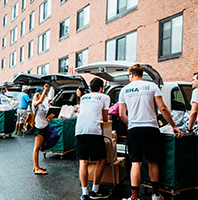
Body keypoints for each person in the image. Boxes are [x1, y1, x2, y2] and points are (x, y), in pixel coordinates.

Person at [119, 64, 184, 200]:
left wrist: (130, 124)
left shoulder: (124, 90)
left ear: (131, 74)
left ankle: (135, 197)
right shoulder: (152, 86)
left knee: (136, 163)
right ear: (142, 74)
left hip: (134, 129)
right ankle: (155, 194)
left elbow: (121, 114)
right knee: (153, 162)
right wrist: (174, 126)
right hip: (151, 129)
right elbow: (163, 108)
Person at [75, 78, 110, 200]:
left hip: (79, 130)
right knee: (101, 159)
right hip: (93, 131)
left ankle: (85, 193)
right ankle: (95, 190)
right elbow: (105, 119)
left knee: (83, 161)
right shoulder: (104, 97)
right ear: (101, 88)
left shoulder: (84, 98)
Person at [32, 84, 49, 175]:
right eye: (41, 93)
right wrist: (46, 89)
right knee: (37, 148)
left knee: (38, 148)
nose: (43, 95)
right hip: (39, 128)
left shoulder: (42, 105)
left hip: (44, 126)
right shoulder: (35, 104)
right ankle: (36, 168)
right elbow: (41, 100)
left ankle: (36, 166)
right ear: (38, 94)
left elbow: (44, 115)